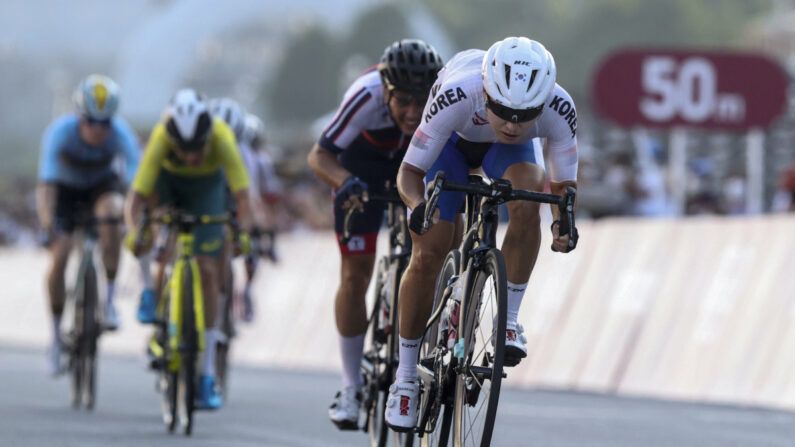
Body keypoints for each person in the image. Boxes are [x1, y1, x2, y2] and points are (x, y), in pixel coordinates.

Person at [386, 36, 580, 430]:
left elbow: (564, 188)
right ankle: (405, 377)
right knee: (429, 251)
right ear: (486, 92)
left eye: (524, 114)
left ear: (543, 104)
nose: (511, 123)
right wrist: (417, 207)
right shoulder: (459, 93)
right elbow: (409, 173)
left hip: (508, 157)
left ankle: (507, 319)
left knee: (531, 197)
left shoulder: (560, 108)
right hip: (450, 146)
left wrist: (564, 223)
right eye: (503, 110)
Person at [307, 39, 443, 430]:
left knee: (437, 239)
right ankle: (350, 386)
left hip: (413, 166)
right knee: (355, 277)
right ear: (385, 90)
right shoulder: (365, 96)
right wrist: (345, 182)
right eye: (403, 102)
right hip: (361, 169)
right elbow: (319, 156)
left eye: (422, 101)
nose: (414, 112)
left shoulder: (441, 100)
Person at [124, 88, 254, 409]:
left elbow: (243, 197)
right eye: (184, 149)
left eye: (198, 148)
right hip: (167, 185)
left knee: (208, 269)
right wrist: (135, 233)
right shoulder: (160, 140)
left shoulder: (222, 138)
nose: (192, 156)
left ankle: (207, 374)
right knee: (158, 241)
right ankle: (153, 296)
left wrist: (243, 234)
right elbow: (136, 199)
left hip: (205, 191)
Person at [36, 74, 140, 376]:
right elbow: (47, 187)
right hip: (64, 191)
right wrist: (47, 224)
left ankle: (108, 299)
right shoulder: (59, 133)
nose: (99, 129)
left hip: (100, 188)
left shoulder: (122, 135)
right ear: (79, 117)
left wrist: (133, 221)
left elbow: (135, 186)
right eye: (92, 122)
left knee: (112, 215)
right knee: (60, 256)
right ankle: (55, 338)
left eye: (106, 123)